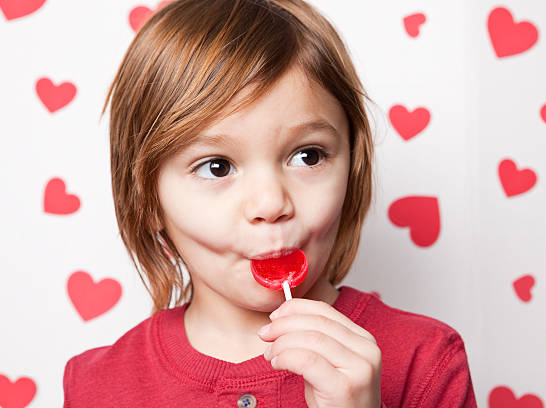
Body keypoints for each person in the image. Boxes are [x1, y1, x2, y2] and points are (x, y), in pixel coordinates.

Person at [62, 0, 478, 406]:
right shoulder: (96, 385)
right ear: (148, 198)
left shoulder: (426, 361)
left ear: (352, 166)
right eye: (218, 167)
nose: (271, 202)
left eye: (308, 156)